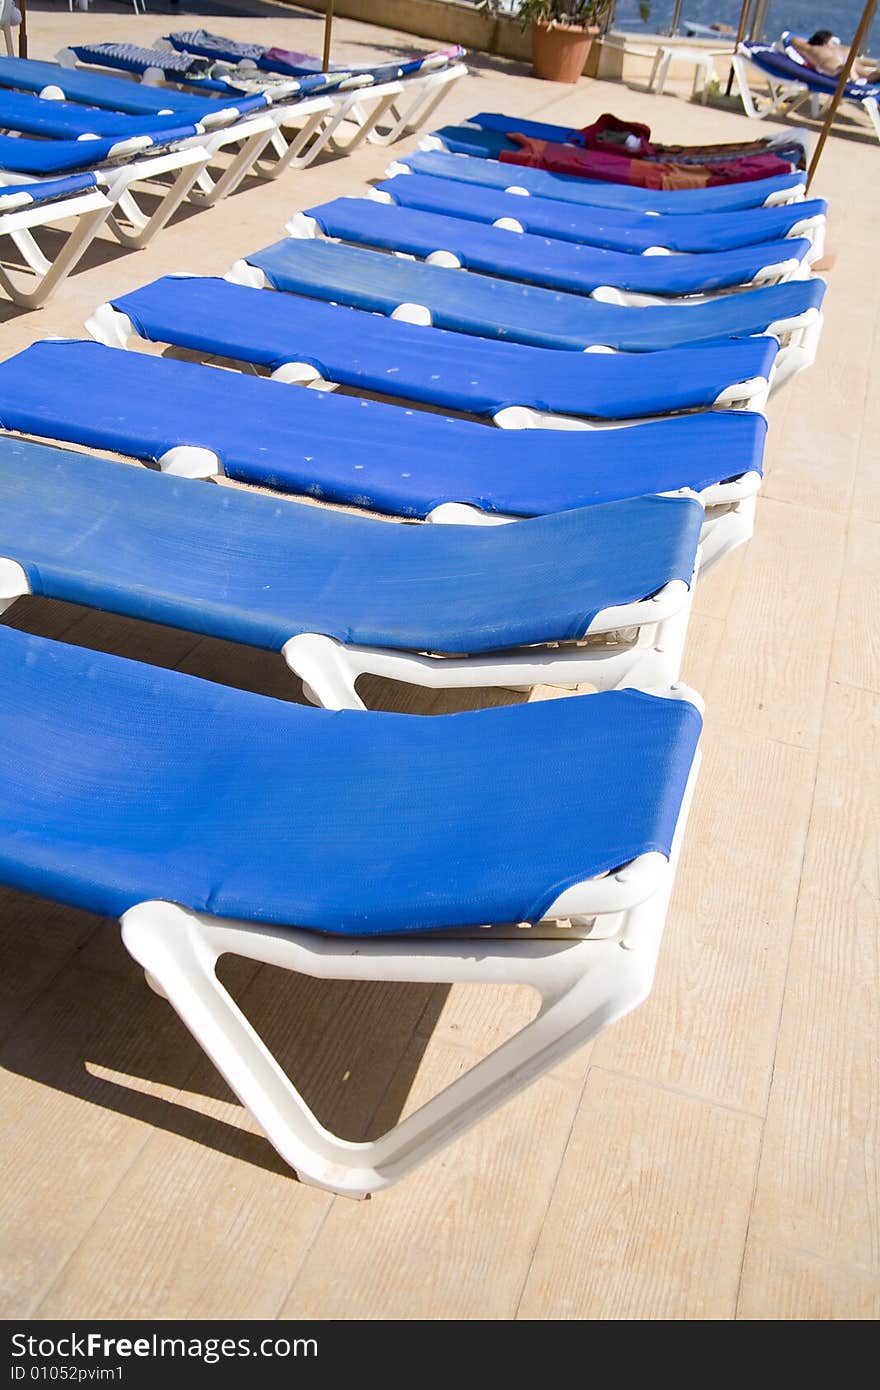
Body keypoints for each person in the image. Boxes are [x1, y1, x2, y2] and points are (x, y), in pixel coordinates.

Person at [789, 29, 880, 82]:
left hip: (846, 62)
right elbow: (792, 39)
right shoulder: (811, 48)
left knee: (866, 72)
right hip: (831, 65)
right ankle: (853, 76)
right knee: (845, 67)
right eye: (831, 39)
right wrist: (813, 41)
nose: (832, 41)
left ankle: (860, 71)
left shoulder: (834, 47)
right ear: (825, 39)